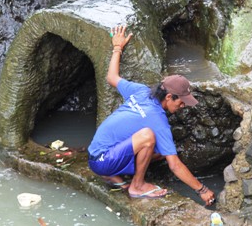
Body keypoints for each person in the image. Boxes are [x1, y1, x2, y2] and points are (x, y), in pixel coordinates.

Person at [88, 25, 215, 205]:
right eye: (182, 101)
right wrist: (202, 190)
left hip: (98, 154)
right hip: (101, 160)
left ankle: (112, 175)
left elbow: (112, 77)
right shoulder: (158, 120)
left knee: (163, 151)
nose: (183, 106)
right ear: (169, 97)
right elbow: (175, 165)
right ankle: (137, 186)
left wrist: (117, 47)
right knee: (148, 137)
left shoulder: (141, 91)